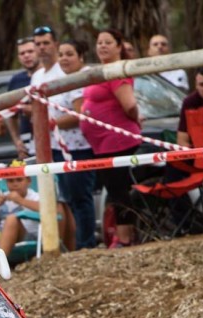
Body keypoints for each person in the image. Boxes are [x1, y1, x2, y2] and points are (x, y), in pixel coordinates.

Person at [81, 29, 141, 248]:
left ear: (119, 46)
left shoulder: (117, 71)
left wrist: (136, 120)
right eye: (99, 42)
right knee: (114, 190)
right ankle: (120, 233)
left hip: (119, 141)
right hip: (102, 145)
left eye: (108, 42)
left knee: (118, 190)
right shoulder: (99, 71)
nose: (103, 46)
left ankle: (125, 238)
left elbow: (130, 105)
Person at [50, 40, 96, 249]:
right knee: (69, 199)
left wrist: (51, 124)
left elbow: (79, 115)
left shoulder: (80, 81)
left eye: (69, 54)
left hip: (81, 148)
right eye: (61, 54)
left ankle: (86, 244)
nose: (64, 59)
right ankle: (76, 245)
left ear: (81, 57)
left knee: (81, 198)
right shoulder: (64, 80)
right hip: (63, 148)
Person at [7, 37, 40, 159]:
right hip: (27, 140)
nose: (26, 56)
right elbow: (10, 115)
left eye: (30, 52)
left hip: (52, 137)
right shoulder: (16, 81)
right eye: (22, 53)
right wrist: (17, 141)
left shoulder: (48, 76)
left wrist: (33, 110)